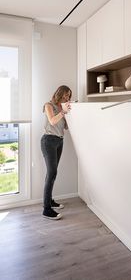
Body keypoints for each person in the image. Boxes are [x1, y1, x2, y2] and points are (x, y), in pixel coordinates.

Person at [41, 85, 72, 220]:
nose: (67, 98)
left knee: (53, 173)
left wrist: (71, 114)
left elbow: (65, 127)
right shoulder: (48, 105)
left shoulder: (62, 109)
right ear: (59, 93)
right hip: (48, 141)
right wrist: (63, 112)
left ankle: (50, 201)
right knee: (52, 172)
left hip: (59, 141)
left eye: (69, 96)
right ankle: (46, 209)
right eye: (65, 95)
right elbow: (53, 121)